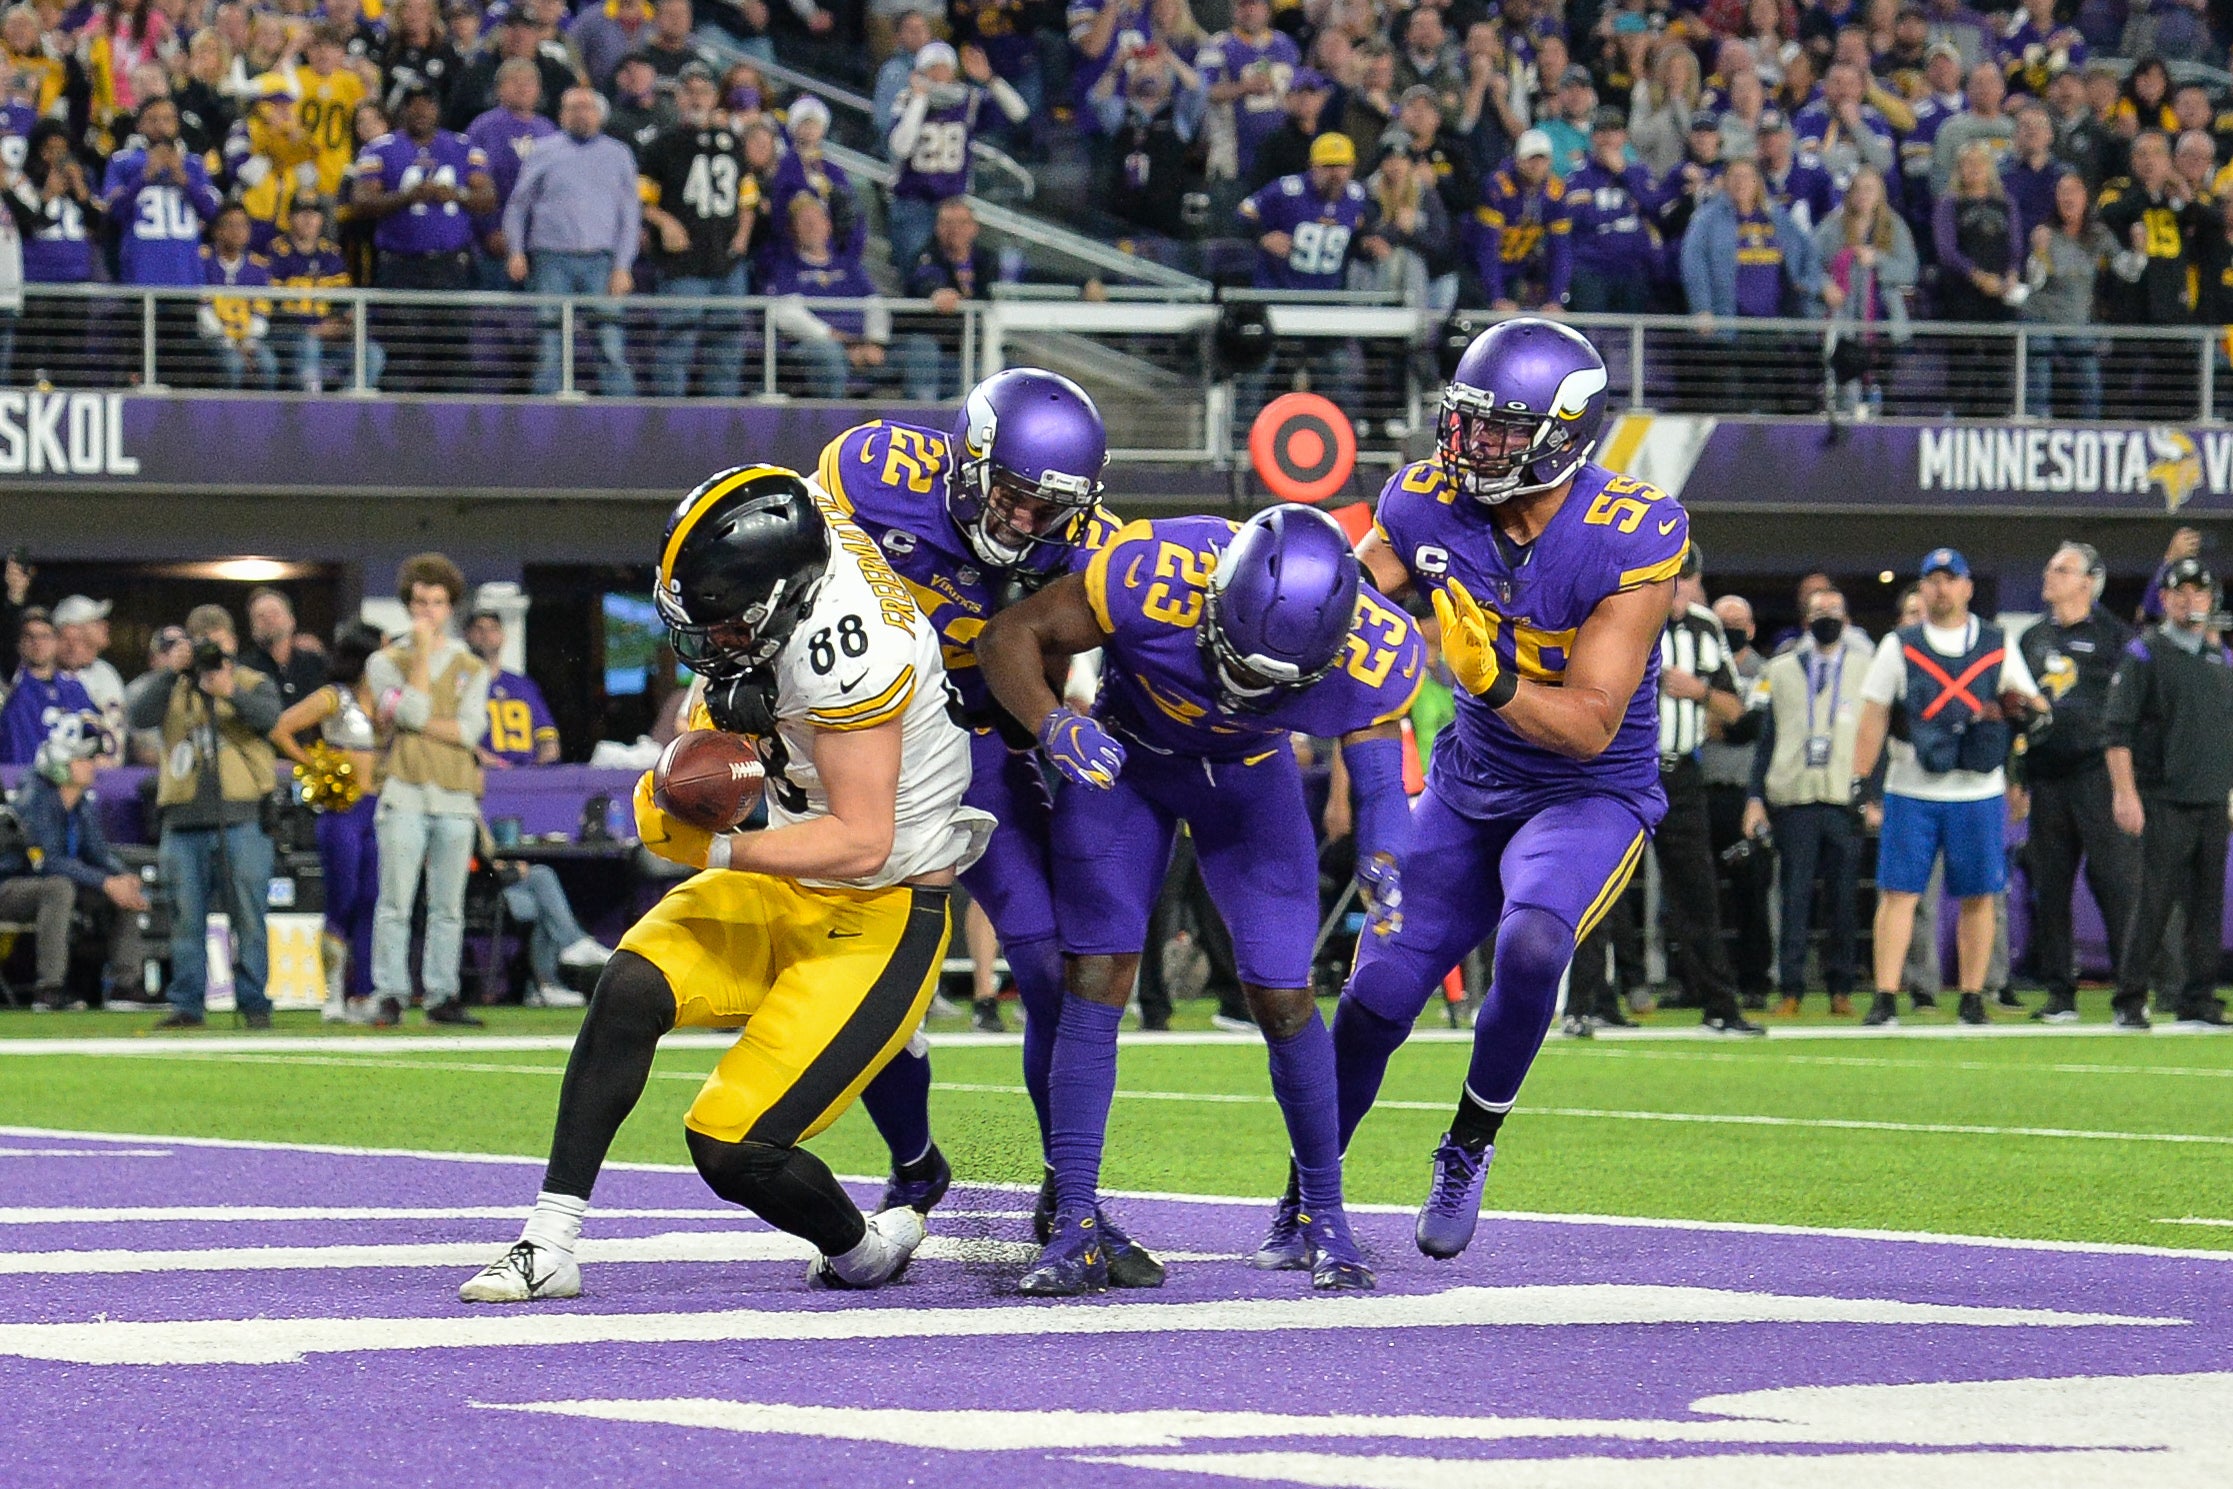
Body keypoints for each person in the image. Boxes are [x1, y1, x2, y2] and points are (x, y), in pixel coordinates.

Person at [459, 466, 993, 1303]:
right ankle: (550, 1239)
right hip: (792, 861)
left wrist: (709, 850)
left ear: (779, 602)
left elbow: (860, 839)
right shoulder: (802, 523)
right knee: (630, 985)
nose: (701, 639)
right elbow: (722, 691)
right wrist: (693, 749)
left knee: (733, 1146)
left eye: (715, 623)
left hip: (880, 902)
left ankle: (861, 1250)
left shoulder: (850, 654)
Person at [979, 504, 1422, 1294]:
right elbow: (1008, 633)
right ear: (1213, 599)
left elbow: (1382, 780)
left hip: (1249, 780)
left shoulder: (1374, 647)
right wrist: (1052, 724)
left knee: (1284, 993)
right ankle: (1073, 1217)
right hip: (1130, 761)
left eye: (1271, 678)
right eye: (1239, 660)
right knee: (1093, 973)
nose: (1244, 684)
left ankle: (1323, 1215)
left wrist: (1388, 855)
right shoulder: (1152, 571)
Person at [1324, 318, 1687, 1262]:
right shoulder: (1423, 499)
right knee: (1373, 998)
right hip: (1466, 786)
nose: (1470, 448)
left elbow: (1591, 720)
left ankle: (1467, 1144)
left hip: (1586, 793)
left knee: (1531, 939)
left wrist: (1486, 680)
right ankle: (1309, 1189)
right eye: (1469, 424)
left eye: (1498, 432)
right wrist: (1302, 599)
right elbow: (1350, 609)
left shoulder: (1633, 533)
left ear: (1564, 433)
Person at [815, 368, 1140, 1260]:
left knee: (1046, 965)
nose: (1026, 522)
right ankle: (915, 1162)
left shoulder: (1092, 544)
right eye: (1012, 496)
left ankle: (1067, 1194)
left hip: (976, 745)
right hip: (854, 750)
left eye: (1050, 507)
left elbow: (1137, 637)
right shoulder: (871, 470)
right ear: (968, 461)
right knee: (868, 983)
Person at [1850, 548, 2042, 1028]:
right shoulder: (1900, 644)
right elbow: (1873, 713)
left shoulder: (1996, 642)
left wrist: (2024, 712)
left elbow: (2030, 702)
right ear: (1922, 588)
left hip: (1977, 789)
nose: (1941, 589)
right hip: (1911, 787)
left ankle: (1973, 996)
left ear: (1967, 587)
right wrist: (1860, 780)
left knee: (1979, 894)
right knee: (1898, 893)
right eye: (1932, 580)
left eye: (1950, 580)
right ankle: (1886, 995)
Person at [125, 604, 282, 1030]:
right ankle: (187, 1005)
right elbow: (137, 715)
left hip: (242, 818)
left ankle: (254, 1004)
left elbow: (271, 720)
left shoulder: (253, 681)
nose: (213, 651)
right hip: (182, 820)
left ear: (233, 642)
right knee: (184, 917)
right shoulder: (173, 688)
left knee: (249, 916)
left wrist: (229, 691)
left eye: (220, 641)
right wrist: (169, 672)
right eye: (203, 642)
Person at [2104, 556, 2233, 1029]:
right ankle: (2130, 999)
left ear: (2210, 600)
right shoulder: (2145, 654)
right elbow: (2117, 732)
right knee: (2154, 903)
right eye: (2181, 591)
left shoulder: (2220, 659)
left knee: (2208, 907)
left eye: (2199, 592)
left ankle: (2198, 1000)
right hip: (2163, 798)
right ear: (2164, 599)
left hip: (2211, 799)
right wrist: (2126, 794)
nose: (2190, 599)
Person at [366, 553, 491, 1029]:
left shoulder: (470, 666)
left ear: (450, 606)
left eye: (437, 603)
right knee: (395, 901)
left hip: (456, 796)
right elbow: (411, 710)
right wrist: (419, 654)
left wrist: (424, 723)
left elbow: (471, 731)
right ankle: (390, 993)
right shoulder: (383, 661)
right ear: (407, 604)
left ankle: (442, 994)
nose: (428, 611)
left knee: (447, 906)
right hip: (404, 791)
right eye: (420, 601)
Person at [2018, 542, 2137, 1023]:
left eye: (2062, 569)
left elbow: (2131, 712)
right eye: (2049, 567)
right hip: (2047, 776)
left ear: (2088, 581)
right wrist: (2017, 775)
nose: (2050, 575)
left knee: (2114, 882)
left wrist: (2128, 785)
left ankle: (2131, 993)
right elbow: (2018, 712)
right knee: (2050, 887)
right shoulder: (2031, 638)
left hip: (2096, 775)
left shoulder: (2116, 638)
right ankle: (2059, 993)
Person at [1745, 584, 1874, 1014]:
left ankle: (1841, 988)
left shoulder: (1867, 668)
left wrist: (1873, 794)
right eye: (1819, 611)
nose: (1827, 617)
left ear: (1848, 619)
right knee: (1793, 896)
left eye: (1835, 610)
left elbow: (1879, 739)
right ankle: (1791, 989)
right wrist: (1754, 797)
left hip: (1844, 795)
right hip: (1794, 795)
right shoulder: (1779, 670)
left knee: (1843, 899)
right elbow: (1765, 740)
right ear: (1805, 621)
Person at [270, 621, 383, 1021]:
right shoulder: (334, 697)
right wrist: (317, 766)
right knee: (343, 898)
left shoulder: (388, 699)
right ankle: (331, 989)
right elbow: (282, 729)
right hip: (342, 810)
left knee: (372, 899)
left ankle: (363, 993)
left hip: (378, 808)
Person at [353, 79, 496, 393]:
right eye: (413, 103)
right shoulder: (380, 148)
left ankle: (451, 431)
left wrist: (455, 195)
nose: (420, 110)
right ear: (402, 109)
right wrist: (408, 197)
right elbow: (361, 201)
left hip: (450, 265)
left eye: (427, 102)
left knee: (452, 353)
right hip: (400, 264)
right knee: (400, 352)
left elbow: (487, 198)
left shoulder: (462, 146)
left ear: (438, 108)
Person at [504, 87, 642, 398]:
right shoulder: (542, 150)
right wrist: (516, 251)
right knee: (550, 346)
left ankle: (626, 419)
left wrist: (623, 266)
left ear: (599, 114)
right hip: (551, 259)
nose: (581, 114)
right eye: (573, 108)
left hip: (602, 261)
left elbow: (630, 215)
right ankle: (543, 420)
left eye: (587, 107)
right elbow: (518, 206)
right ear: (561, 114)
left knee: (610, 344)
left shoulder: (619, 154)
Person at [0, 716, 142, 1009]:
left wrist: (121, 877)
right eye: (83, 759)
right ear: (62, 762)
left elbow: (98, 854)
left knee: (123, 893)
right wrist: (104, 882)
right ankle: (49, 988)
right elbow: (45, 862)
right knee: (59, 887)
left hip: (54, 883)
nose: (91, 765)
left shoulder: (81, 804)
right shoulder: (34, 800)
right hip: (11, 885)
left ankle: (123, 986)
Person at [638, 64, 752, 400]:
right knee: (676, 345)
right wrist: (665, 222)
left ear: (716, 97)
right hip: (682, 265)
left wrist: (742, 236)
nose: (696, 98)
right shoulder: (662, 144)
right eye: (689, 91)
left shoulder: (732, 142)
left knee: (728, 347)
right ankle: (669, 419)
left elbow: (747, 196)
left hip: (727, 263)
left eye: (703, 91)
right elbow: (642, 200)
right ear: (678, 97)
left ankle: (722, 420)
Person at [884, 41, 1028, 273]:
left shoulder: (968, 99)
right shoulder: (907, 98)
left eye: (944, 67)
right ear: (921, 71)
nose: (939, 73)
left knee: (955, 273)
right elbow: (900, 148)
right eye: (933, 67)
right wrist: (920, 100)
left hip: (954, 204)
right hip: (913, 201)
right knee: (915, 272)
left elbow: (1019, 112)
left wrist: (990, 79)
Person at [896, 197, 1000, 402]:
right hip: (935, 340)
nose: (955, 230)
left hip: (973, 343)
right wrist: (937, 292)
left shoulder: (986, 260)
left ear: (974, 228)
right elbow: (924, 278)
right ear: (937, 227)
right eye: (947, 223)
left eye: (961, 223)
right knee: (923, 351)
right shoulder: (926, 255)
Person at [1475, 128, 1571, 310]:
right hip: (1481, 269)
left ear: (1550, 161)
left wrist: (1555, 300)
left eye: (1541, 159)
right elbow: (1487, 247)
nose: (1536, 165)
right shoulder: (1498, 186)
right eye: (1530, 159)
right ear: (1517, 159)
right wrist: (1496, 297)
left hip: (1519, 265)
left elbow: (1561, 249)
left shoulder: (1556, 191)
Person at [463, 609, 560, 767]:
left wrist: (539, 765)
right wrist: (490, 760)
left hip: (526, 778)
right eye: (479, 629)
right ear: (466, 635)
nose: (486, 635)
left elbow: (547, 736)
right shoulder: (458, 684)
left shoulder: (524, 685)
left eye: (493, 629)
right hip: (481, 776)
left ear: (502, 636)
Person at [0, 607, 96, 765]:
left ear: (56, 642)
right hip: (22, 781)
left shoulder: (74, 690)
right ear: (20, 644)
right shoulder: (11, 694)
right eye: (30, 637)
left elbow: (96, 736)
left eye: (45, 636)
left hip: (71, 782)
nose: (38, 643)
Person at [52, 595, 124, 760]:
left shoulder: (106, 671)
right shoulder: (45, 677)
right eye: (96, 621)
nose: (105, 625)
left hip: (109, 772)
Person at [242, 587, 330, 719]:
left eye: (275, 613)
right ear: (252, 627)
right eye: (260, 616)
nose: (268, 620)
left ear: (292, 620)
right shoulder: (244, 669)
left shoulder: (317, 663)